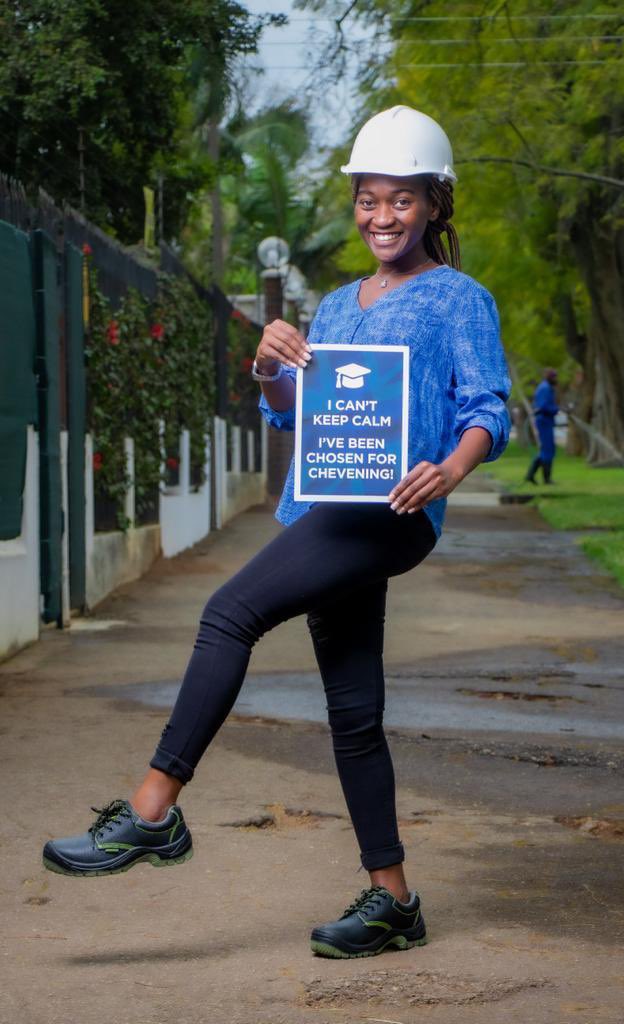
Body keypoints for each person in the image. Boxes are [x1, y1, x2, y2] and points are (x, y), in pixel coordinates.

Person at [42, 106, 511, 959]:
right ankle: (392, 900)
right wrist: (268, 365)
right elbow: (303, 418)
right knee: (354, 714)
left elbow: (486, 406)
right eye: (368, 201)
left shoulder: (458, 300)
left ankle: (152, 812)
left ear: (436, 204)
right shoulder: (333, 304)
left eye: (400, 201)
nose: (380, 218)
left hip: (393, 516)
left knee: (229, 612)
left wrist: (451, 468)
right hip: (324, 506)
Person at [525, 368, 559, 484]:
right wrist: (557, 409)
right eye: (554, 376)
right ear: (549, 377)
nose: (556, 379)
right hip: (544, 421)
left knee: (547, 450)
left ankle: (530, 476)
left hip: (546, 421)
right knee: (547, 450)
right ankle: (547, 479)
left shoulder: (546, 387)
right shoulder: (545, 388)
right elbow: (543, 406)